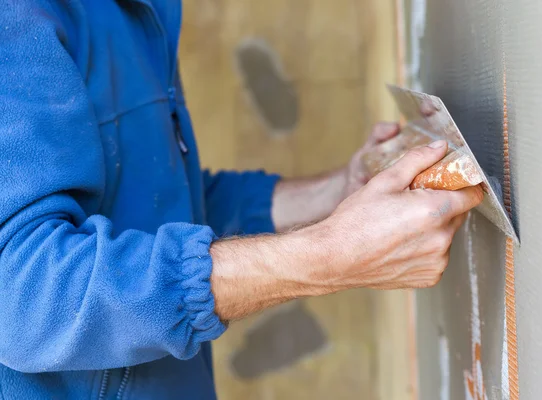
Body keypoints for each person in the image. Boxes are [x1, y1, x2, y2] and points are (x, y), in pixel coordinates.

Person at [0, 1, 483, 399]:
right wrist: (327, 257)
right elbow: (23, 295)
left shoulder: (139, 14)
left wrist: (339, 191)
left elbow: (159, 206)